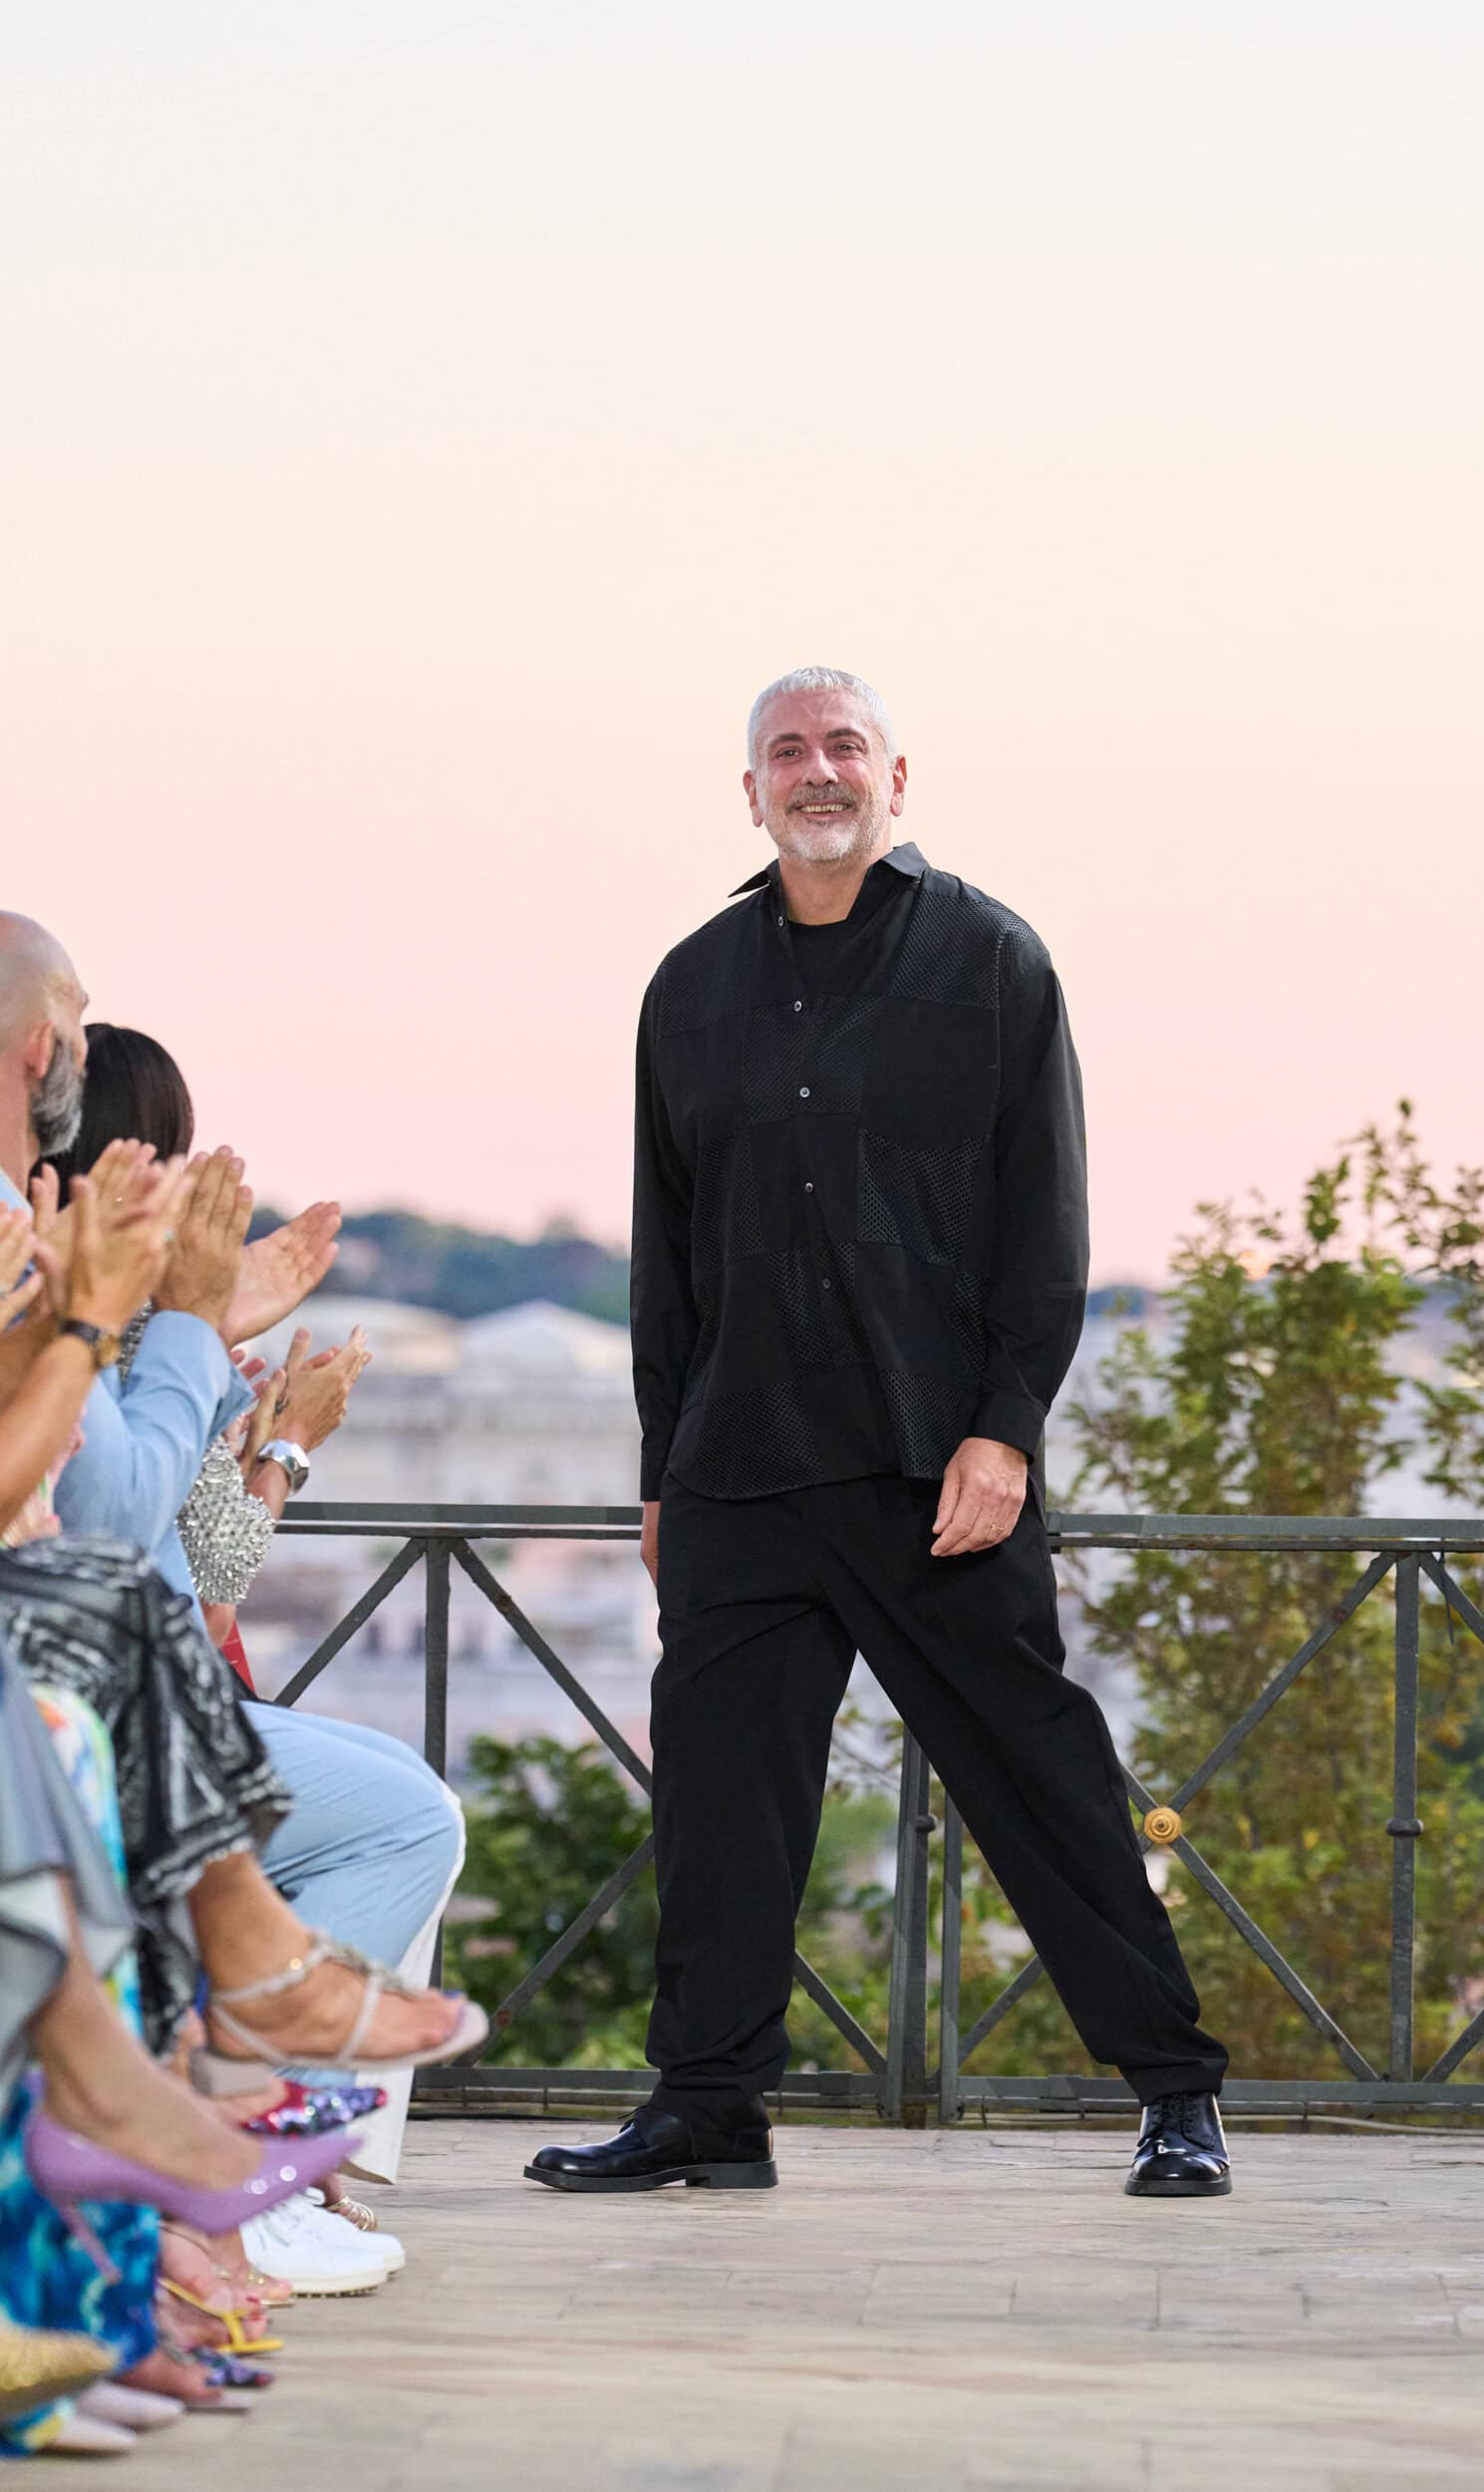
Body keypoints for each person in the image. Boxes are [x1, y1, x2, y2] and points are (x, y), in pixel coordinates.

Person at [527, 665, 1231, 2203]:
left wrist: (1004, 1431)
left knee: (1039, 1781)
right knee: (719, 1810)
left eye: (843, 745)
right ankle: (708, 2109)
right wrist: (659, 1473)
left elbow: (1044, 1224)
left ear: (895, 779)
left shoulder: (990, 962)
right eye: (787, 751)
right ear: (751, 792)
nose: (817, 769)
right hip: (736, 1470)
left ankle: (1175, 2095)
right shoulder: (689, 985)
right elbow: (666, 1255)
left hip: (932, 1471)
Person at [44, 1020, 466, 2200]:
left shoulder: (153, 1333)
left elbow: (191, 1559)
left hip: (146, 1686)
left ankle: (305, 2152)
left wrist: (246, 1399)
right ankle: (260, 2162)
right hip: (109, 1704)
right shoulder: (128, 1334)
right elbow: (194, 1563)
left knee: (410, 1797)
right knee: (411, 1819)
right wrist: (281, 1442)